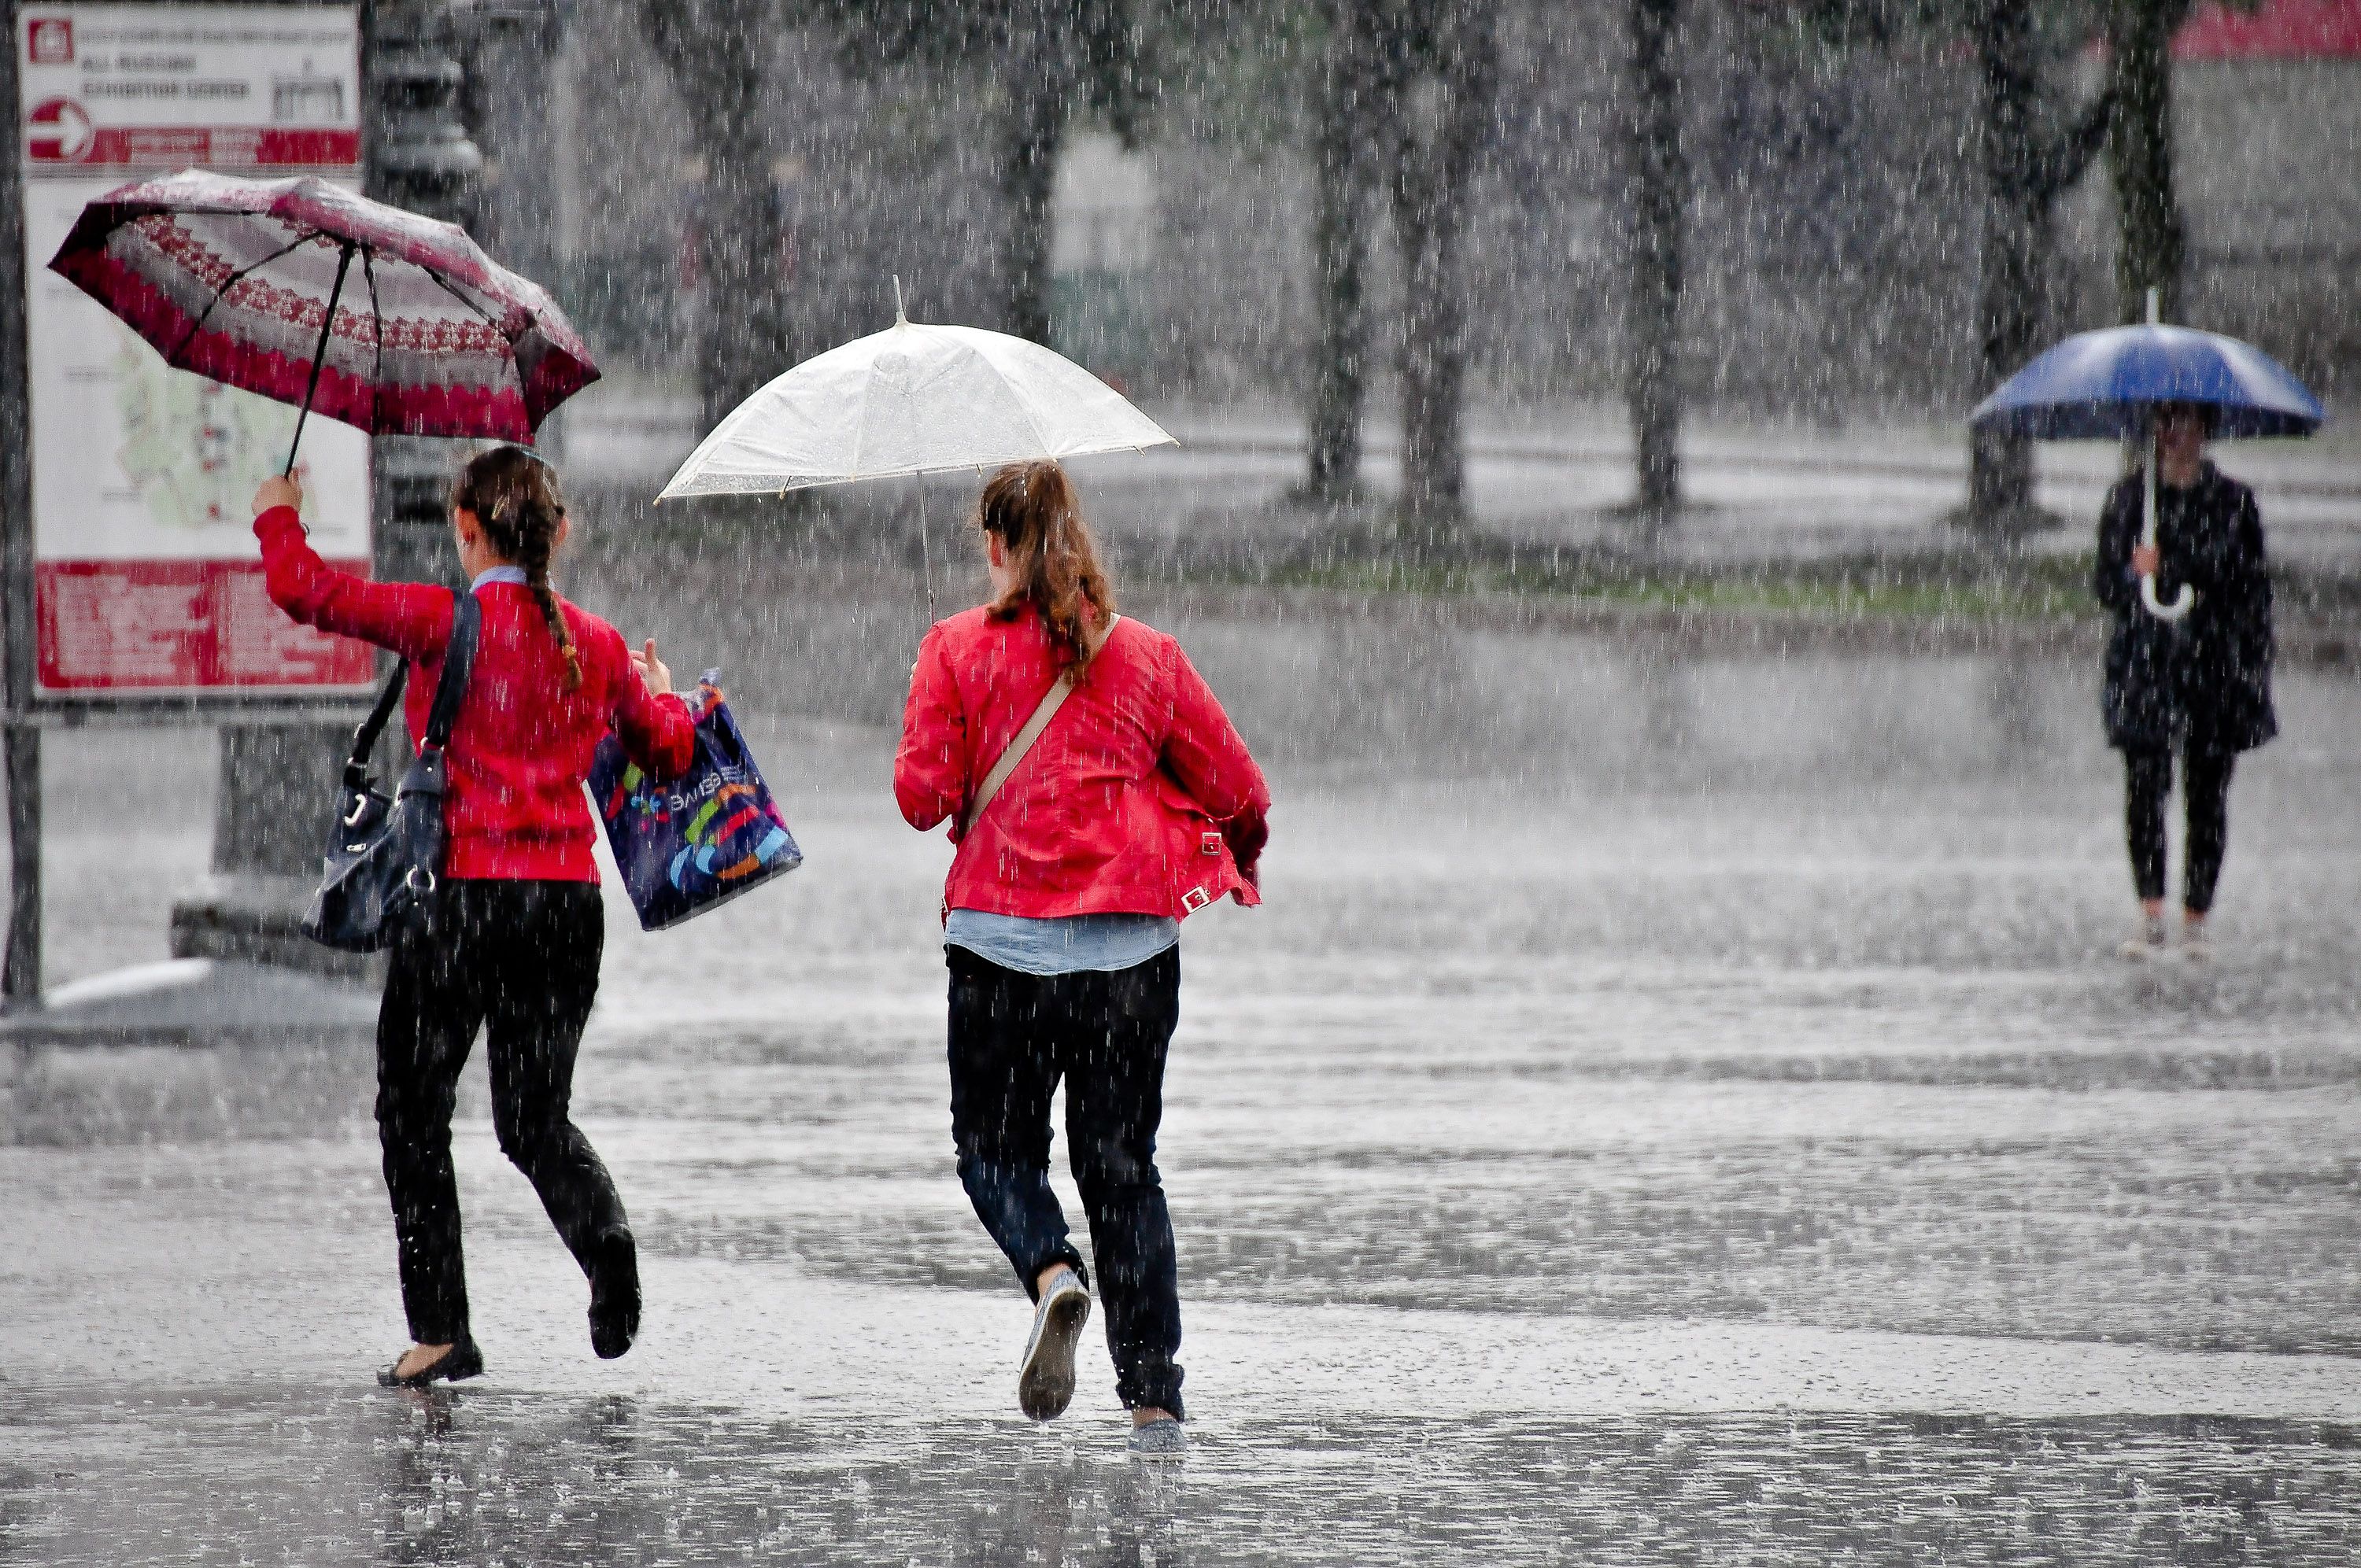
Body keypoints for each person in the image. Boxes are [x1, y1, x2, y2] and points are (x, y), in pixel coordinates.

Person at [250, 447, 696, 1386]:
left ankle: (442, 1329)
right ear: (558, 534)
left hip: (457, 902)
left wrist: (277, 510)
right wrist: (662, 697)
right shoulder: (601, 645)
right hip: (565, 911)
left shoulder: (435, 618)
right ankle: (603, 1238)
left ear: (465, 530)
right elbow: (665, 751)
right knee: (536, 1121)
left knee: (413, 1113)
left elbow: (304, 591)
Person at [895, 460, 1269, 1457]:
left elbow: (921, 796)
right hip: (1130, 958)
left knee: (996, 1154)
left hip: (1000, 951)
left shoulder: (955, 650)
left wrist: (959, 713)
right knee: (1123, 1170)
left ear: (996, 547)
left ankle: (1053, 1276)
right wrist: (1230, 845)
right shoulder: (1146, 656)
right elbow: (1240, 789)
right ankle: (1151, 1398)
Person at [2093, 401, 2276, 961]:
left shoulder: (2233, 502)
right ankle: (2150, 913)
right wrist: (2135, 574)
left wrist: (2173, 567)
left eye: (2185, 423)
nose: (2173, 435)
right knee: (2145, 787)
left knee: (2207, 793)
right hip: (2146, 664)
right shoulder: (2130, 500)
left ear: (2205, 429)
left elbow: (2244, 581)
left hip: (2214, 665)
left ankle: (2196, 917)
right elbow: (2106, 584)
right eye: (2163, 423)